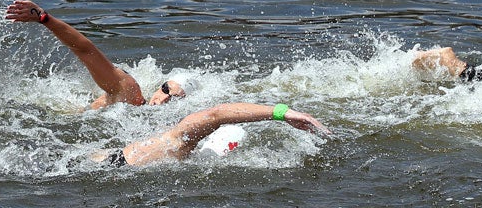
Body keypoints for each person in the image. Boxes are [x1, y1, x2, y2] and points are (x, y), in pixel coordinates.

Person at [5, 0, 186, 107]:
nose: (164, 100)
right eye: (165, 90)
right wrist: (44, 18)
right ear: (158, 86)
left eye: (173, 99)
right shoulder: (129, 91)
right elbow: (86, 51)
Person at [98, 101, 330, 167]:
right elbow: (216, 114)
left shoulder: (165, 145)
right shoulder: (175, 143)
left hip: (109, 162)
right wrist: (282, 113)